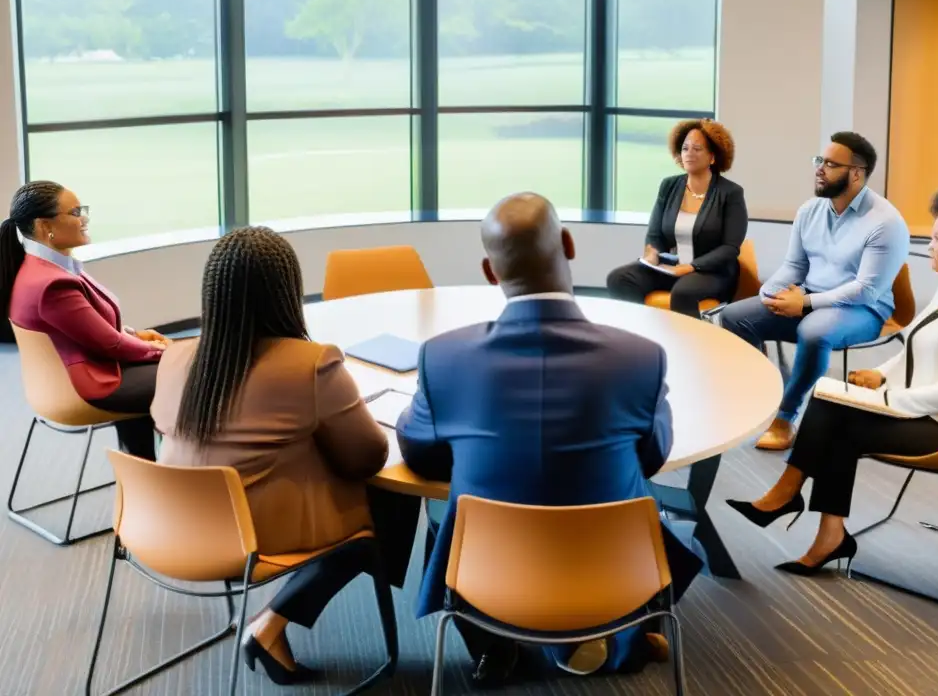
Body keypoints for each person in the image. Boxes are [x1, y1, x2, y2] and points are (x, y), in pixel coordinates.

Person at [396, 193, 704, 685]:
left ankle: (496, 648)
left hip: (486, 575)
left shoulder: (444, 358)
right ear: (568, 243)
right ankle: (611, 633)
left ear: (489, 271)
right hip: (614, 575)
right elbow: (650, 457)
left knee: (447, 511)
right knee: (656, 514)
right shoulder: (640, 358)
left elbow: (418, 451)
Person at [725, 185, 938, 575]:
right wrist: (880, 374)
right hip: (933, 410)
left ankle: (794, 503)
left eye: (937, 238)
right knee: (831, 401)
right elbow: (917, 340)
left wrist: (886, 401)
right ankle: (817, 522)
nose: (928, 245)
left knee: (840, 422)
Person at [151, 226, 391, 685]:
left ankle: (271, 627)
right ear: (286, 290)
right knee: (381, 511)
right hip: (251, 539)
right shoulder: (312, 363)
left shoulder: (175, 357)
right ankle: (272, 621)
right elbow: (368, 457)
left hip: (169, 527)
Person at [718, 132, 910, 450]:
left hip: (863, 309)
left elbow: (865, 290)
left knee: (813, 332)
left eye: (831, 164)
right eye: (819, 160)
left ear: (856, 173)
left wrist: (805, 303)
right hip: (810, 295)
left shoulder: (886, 222)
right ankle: (766, 396)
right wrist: (770, 293)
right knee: (735, 315)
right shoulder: (810, 210)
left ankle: (786, 416)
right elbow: (795, 265)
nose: (820, 169)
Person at [1, 180, 168, 460]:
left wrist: (135, 336)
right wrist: (163, 351)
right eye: (76, 212)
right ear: (45, 227)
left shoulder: (48, 267)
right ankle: (171, 473)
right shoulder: (51, 284)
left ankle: (143, 468)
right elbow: (110, 345)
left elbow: (87, 328)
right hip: (91, 382)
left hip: (90, 367)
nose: (84, 218)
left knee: (173, 369)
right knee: (190, 377)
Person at [606, 118, 748, 318]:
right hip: (671, 268)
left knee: (684, 291)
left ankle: (685, 346)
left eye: (697, 148)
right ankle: (643, 335)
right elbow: (655, 234)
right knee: (619, 278)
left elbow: (730, 248)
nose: (689, 153)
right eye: (685, 148)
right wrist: (652, 254)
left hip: (712, 273)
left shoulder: (730, 193)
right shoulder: (669, 185)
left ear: (712, 157)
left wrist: (691, 267)